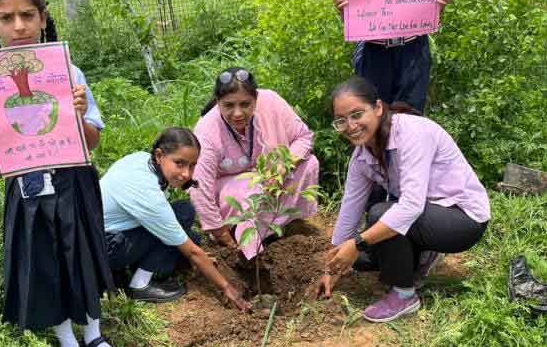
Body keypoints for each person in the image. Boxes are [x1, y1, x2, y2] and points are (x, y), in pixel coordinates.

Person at [0, 0, 118, 347]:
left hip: (74, 181)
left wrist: (78, 113)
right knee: (48, 262)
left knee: (83, 253)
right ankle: (68, 342)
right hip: (28, 188)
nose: (19, 26)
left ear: (43, 17)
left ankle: (94, 333)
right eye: (6, 17)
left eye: (27, 15)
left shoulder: (69, 73)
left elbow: (93, 141)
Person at [317, 76, 490, 322]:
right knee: (362, 260)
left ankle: (404, 295)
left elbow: (410, 207)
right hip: (427, 215)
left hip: (462, 219)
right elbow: (349, 210)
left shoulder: (411, 132)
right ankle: (423, 254)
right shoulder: (361, 157)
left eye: (357, 114)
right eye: (341, 120)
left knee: (379, 215)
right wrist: (332, 267)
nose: (351, 125)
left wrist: (356, 243)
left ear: (378, 107)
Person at [101, 127, 250, 311]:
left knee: (186, 219)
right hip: (107, 248)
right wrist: (227, 288)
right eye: (179, 163)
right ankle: (140, 284)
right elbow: (193, 253)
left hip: (106, 237)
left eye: (192, 165)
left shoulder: (141, 159)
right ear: (159, 155)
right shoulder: (146, 191)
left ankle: (129, 270)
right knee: (183, 232)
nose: (187, 173)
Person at [190, 67, 319, 258]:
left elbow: (304, 137)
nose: (237, 113)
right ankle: (247, 244)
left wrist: (283, 166)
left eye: (245, 104)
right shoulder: (206, 131)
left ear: (256, 98)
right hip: (230, 191)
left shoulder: (271, 101)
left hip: (271, 178)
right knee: (250, 191)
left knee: (309, 164)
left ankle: (287, 223)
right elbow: (199, 186)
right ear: (218, 102)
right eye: (228, 106)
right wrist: (219, 232)